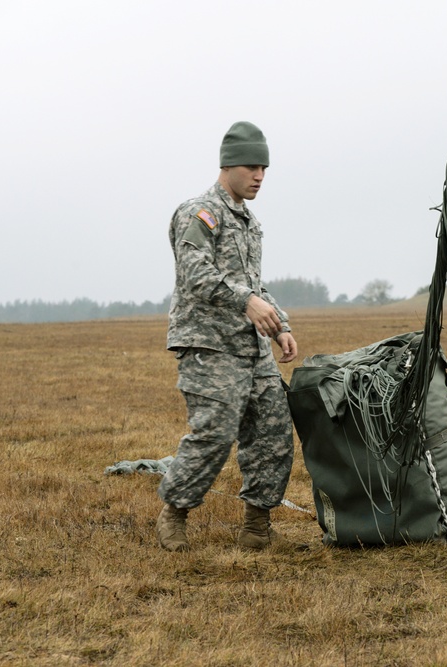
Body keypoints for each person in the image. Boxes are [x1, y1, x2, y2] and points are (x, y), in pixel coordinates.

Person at [156, 121, 298, 552]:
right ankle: (174, 513)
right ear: (228, 165)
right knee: (215, 433)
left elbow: (253, 283)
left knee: (273, 432)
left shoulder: (250, 223)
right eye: (253, 167)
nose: (259, 176)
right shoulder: (198, 213)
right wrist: (247, 303)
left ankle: (257, 526)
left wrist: (280, 325)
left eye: (265, 169)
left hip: (252, 349)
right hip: (209, 346)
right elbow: (195, 274)